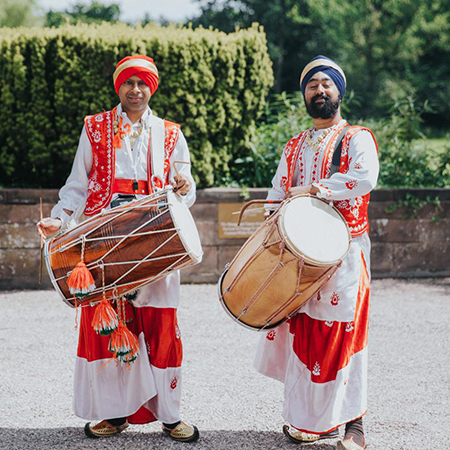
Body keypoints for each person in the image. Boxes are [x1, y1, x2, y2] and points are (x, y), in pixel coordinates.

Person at [37, 55, 199, 442]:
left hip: (155, 236)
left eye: (143, 83)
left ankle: (170, 414)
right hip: (102, 239)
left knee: (160, 326)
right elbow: (78, 184)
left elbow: (187, 189)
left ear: (151, 88)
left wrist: (183, 187)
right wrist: (60, 218)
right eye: (129, 83)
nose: (136, 90)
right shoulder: (94, 128)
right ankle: (113, 413)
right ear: (119, 87)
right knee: (109, 324)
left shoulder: (171, 133)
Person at [254, 56, 379, 450]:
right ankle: (308, 421)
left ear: (339, 92)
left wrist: (313, 190)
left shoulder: (356, 136)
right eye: (312, 85)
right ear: (304, 95)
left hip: (344, 253)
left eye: (326, 84)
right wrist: (271, 225)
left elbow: (364, 177)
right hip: (299, 258)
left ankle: (353, 426)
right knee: (303, 334)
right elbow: (277, 191)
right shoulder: (293, 146)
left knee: (343, 334)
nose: (319, 91)